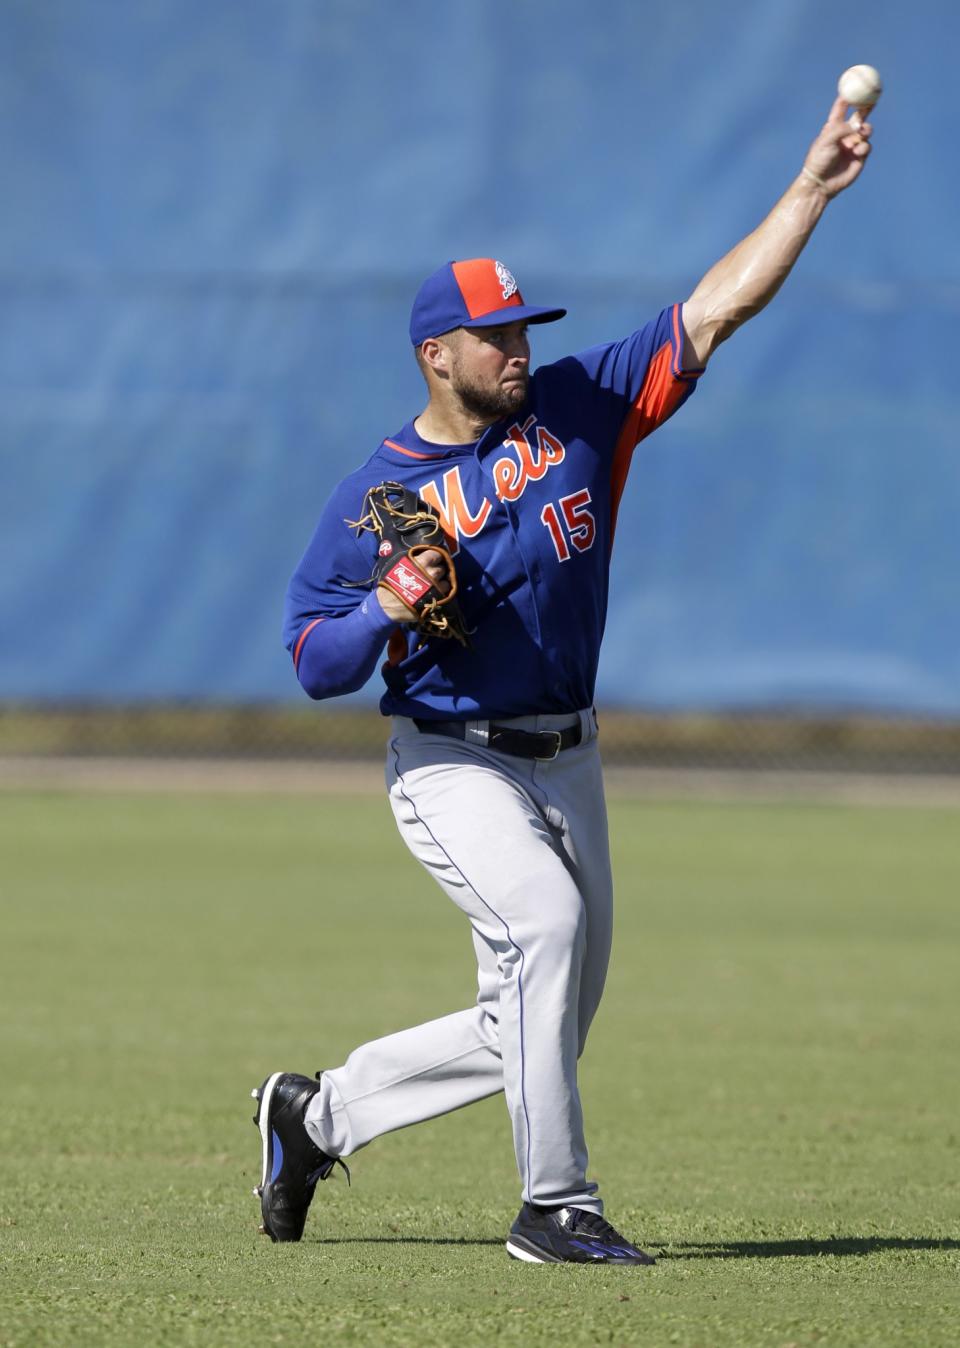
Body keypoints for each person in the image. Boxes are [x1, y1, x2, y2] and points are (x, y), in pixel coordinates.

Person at [252, 97, 872, 1264]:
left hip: (571, 755)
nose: (518, 348)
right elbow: (311, 660)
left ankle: (314, 1113)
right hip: (449, 759)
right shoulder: (370, 494)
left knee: (541, 1021)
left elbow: (716, 307)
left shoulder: (583, 406)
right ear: (437, 354)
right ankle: (557, 1207)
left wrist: (811, 191)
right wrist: (386, 602)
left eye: (523, 327)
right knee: (545, 926)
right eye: (495, 335)